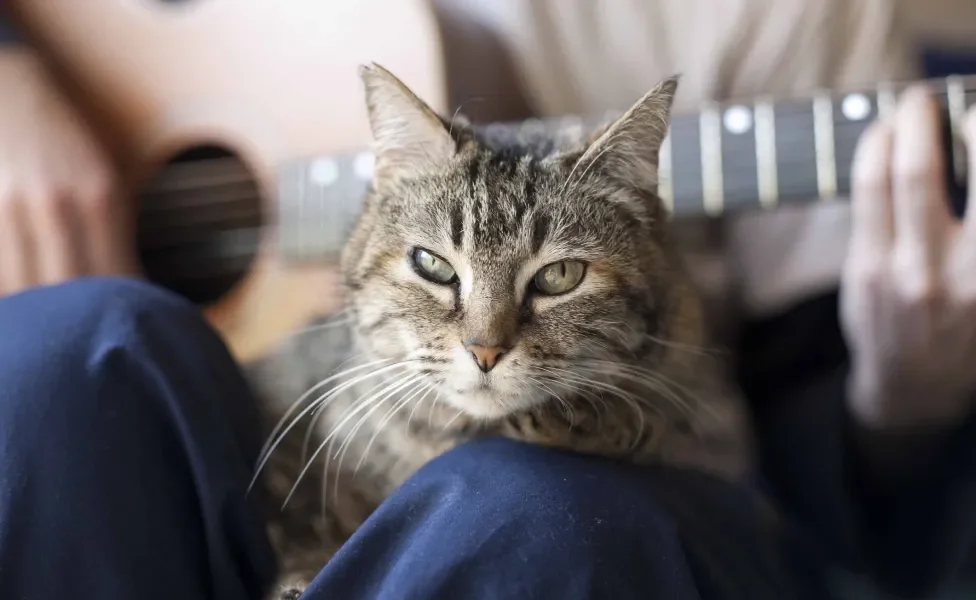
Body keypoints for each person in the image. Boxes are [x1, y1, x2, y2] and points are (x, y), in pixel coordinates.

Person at [2, 7, 976, 600]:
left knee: (518, 513)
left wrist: (909, 391)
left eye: (548, 281)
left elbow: (846, 502)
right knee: (63, 352)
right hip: (313, 392)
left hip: (629, 474)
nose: (485, 341)